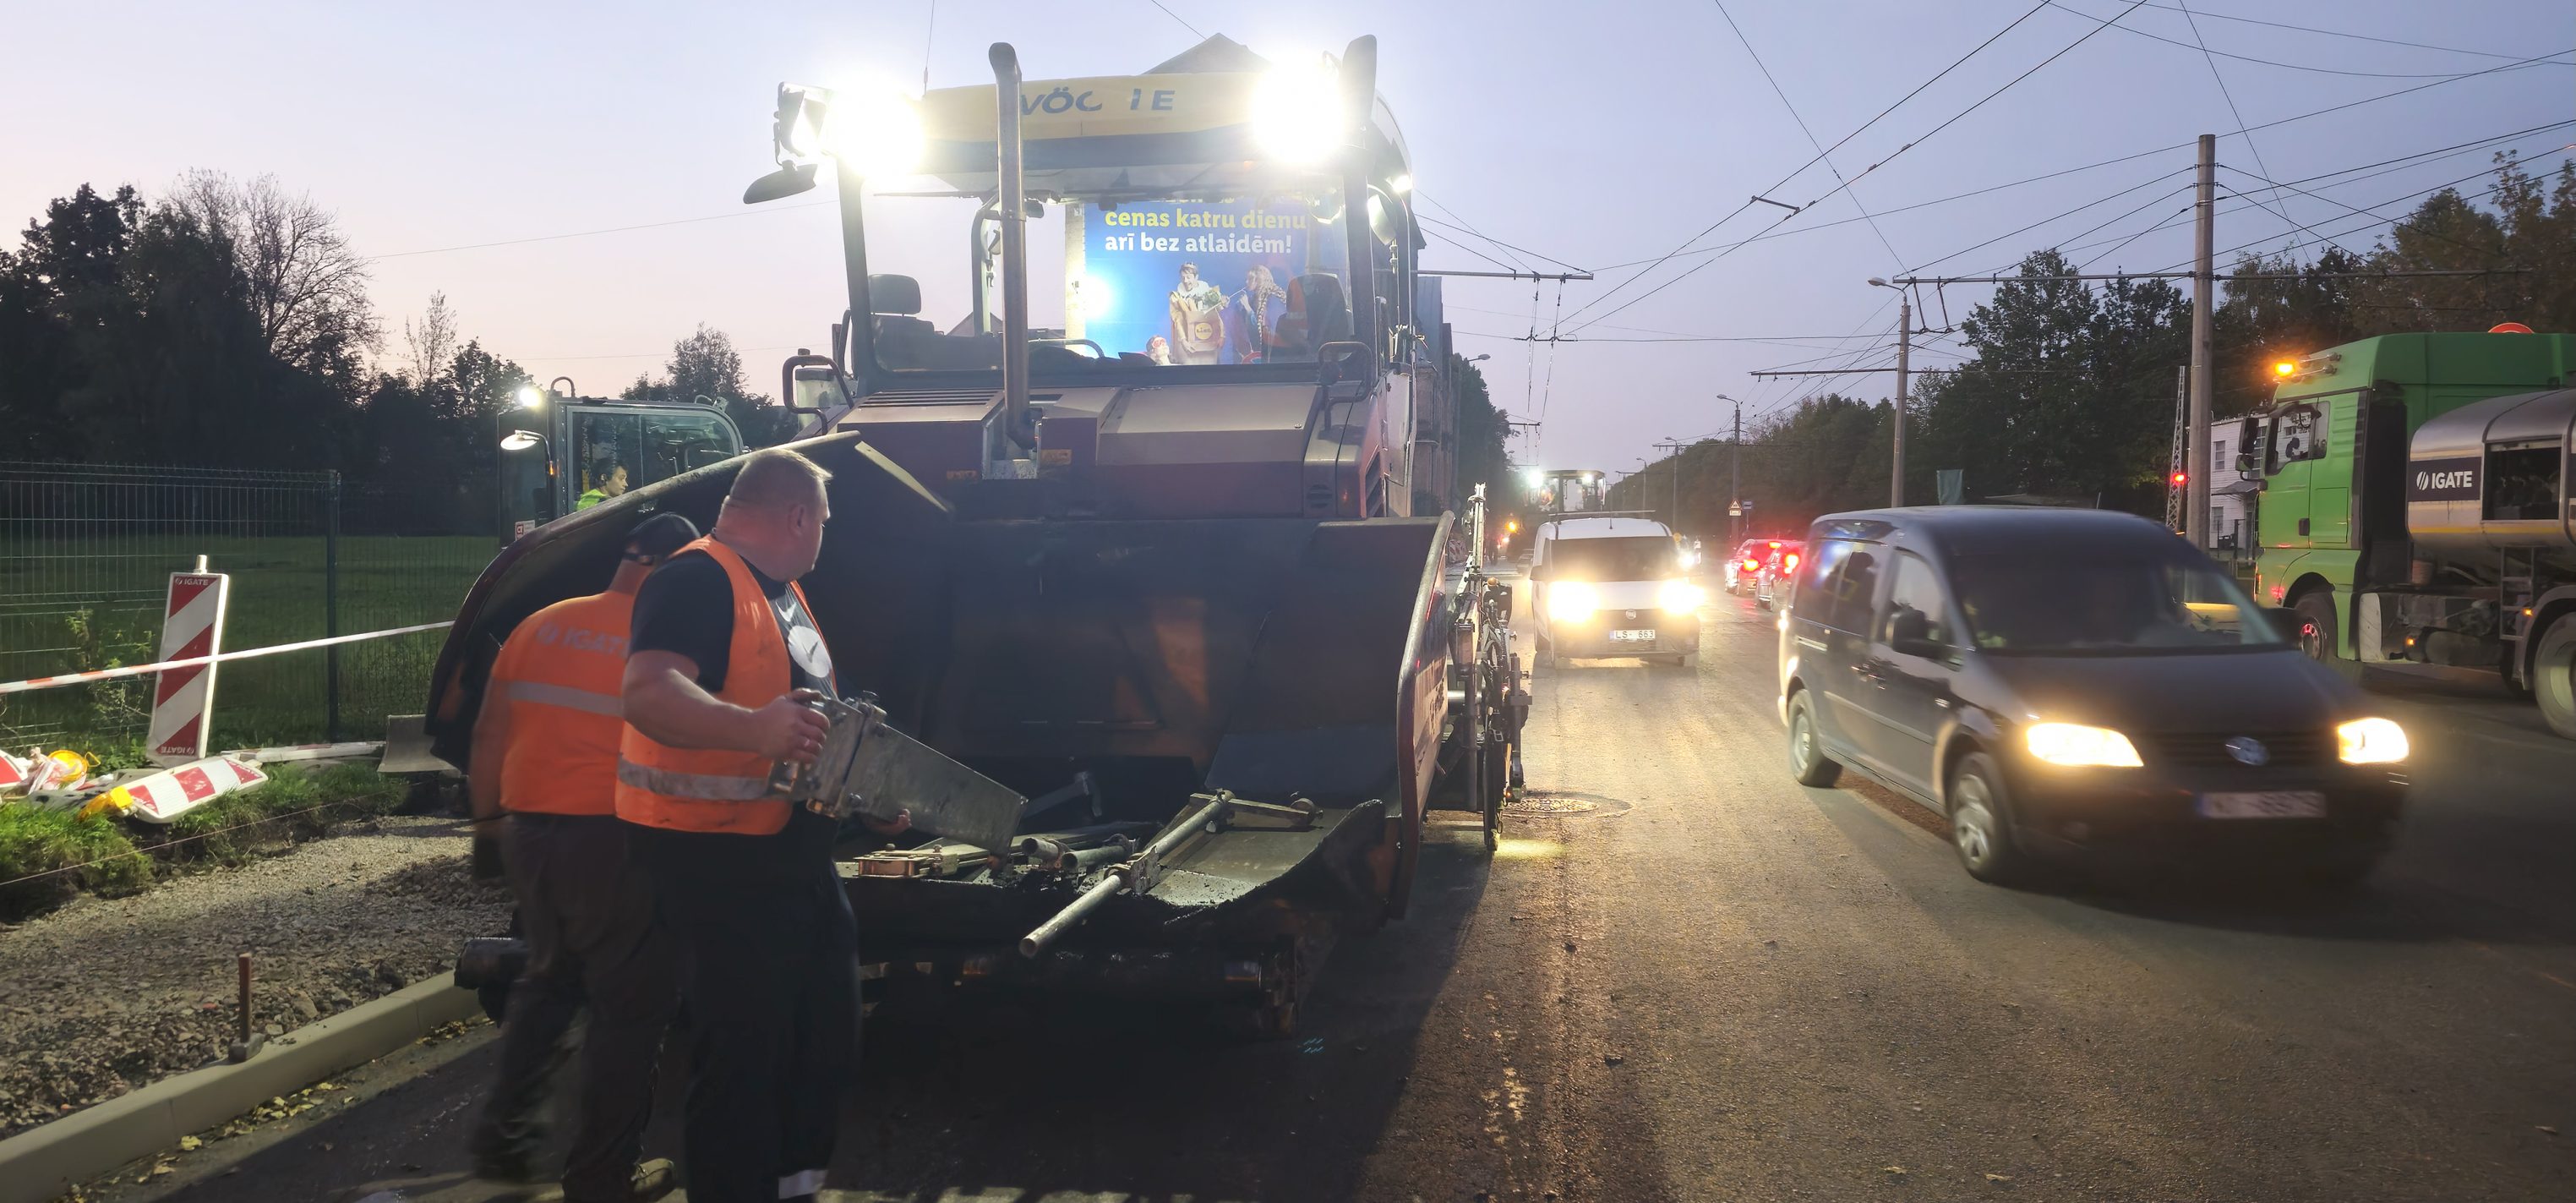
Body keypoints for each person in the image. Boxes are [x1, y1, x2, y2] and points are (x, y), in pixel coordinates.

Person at [614, 449, 908, 1203]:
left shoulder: (780, 593)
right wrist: (752, 727)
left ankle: (791, 1187)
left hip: (788, 859)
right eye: (825, 522)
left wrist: (865, 794)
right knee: (744, 1058)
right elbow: (648, 691)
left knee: (822, 1040)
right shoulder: (696, 578)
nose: (825, 537)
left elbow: (811, 724)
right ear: (799, 516)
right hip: (717, 862)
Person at [467, 512, 701, 1203]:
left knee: (550, 979)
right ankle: (602, 1178)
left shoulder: (540, 624)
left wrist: (488, 826)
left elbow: (488, 733)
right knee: (631, 1009)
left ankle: (503, 1135)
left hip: (530, 834)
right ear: (672, 571)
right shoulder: (660, 643)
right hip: (614, 840)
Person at [1166, 263, 1224, 364]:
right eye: (1183, 277)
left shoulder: (1210, 293)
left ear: (1196, 277)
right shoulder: (1176, 297)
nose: (1185, 281)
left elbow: (1216, 316)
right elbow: (1177, 320)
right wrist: (1183, 341)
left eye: (1188, 277)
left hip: (1208, 343)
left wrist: (1222, 336)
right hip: (1189, 344)